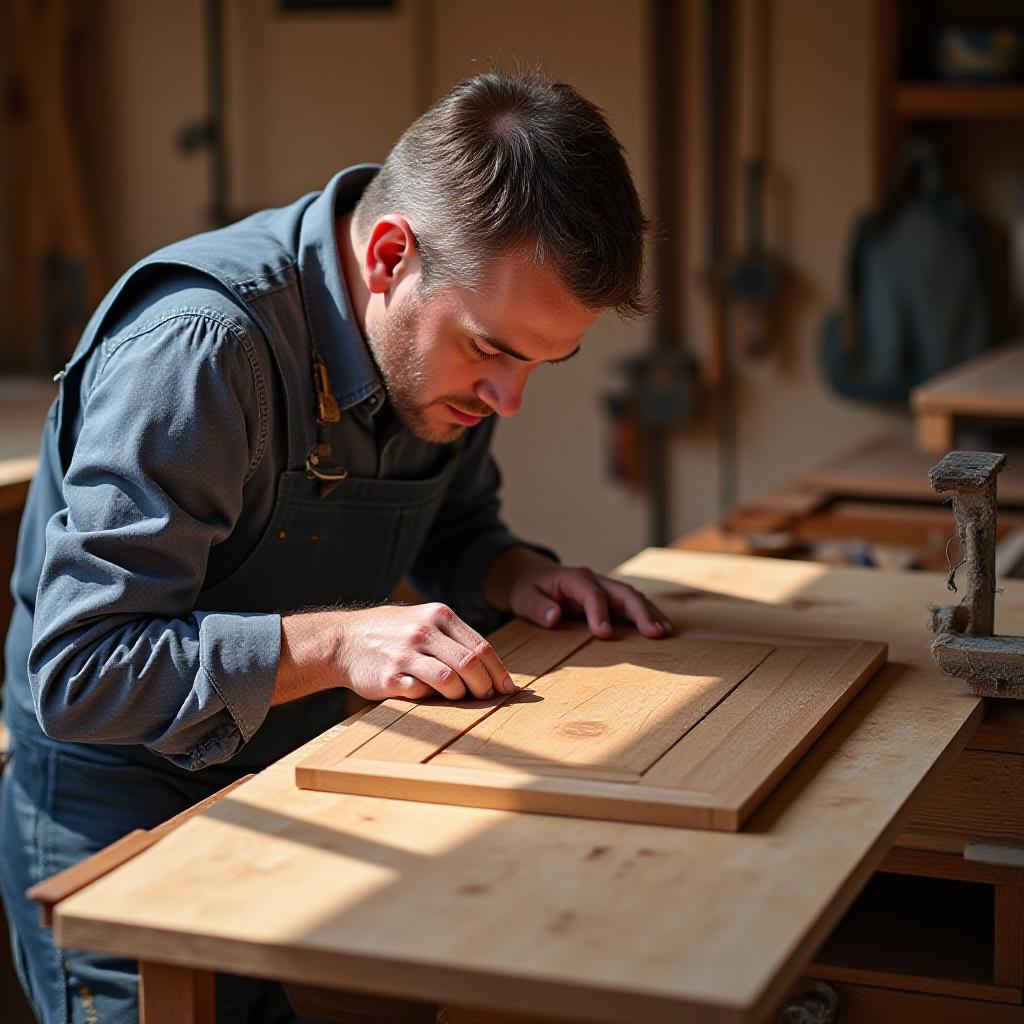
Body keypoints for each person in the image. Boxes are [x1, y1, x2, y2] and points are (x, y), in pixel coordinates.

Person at [1, 69, 671, 1022]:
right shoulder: (198, 351)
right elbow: (81, 673)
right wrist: (337, 644)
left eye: (542, 364)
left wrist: (520, 575)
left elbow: (453, 522)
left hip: (287, 787)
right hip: (122, 823)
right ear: (390, 255)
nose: (508, 401)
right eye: (492, 350)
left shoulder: (439, 353)